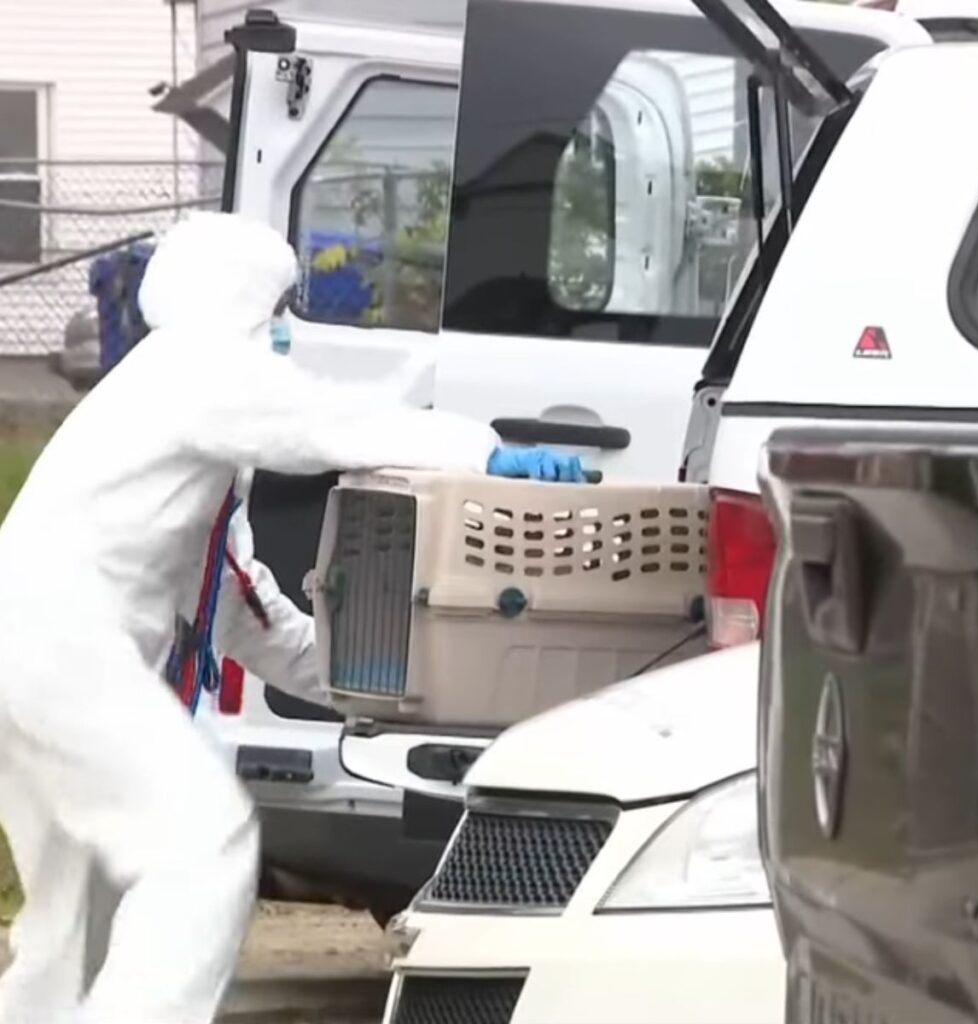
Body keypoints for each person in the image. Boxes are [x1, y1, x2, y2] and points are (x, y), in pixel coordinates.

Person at [0, 212, 584, 1024]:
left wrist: (374, 687)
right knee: (203, 847)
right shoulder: (197, 369)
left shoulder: (170, 408)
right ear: (234, 298)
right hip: (61, 648)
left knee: (76, 908)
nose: (284, 331)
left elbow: (248, 613)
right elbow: (333, 424)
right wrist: (482, 452)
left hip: (29, 650)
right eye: (276, 308)